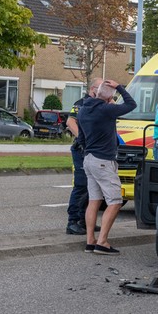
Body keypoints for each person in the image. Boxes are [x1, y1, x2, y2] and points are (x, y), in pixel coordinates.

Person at [78, 79, 137, 255]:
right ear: (110, 97)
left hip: (89, 158)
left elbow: (81, 137)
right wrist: (120, 86)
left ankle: (90, 241)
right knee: (115, 201)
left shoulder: (83, 110)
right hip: (103, 160)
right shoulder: (106, 110)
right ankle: (102, 242)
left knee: (94, 200)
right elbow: (131, 104)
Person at [65, 77, 102, 235]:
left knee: (92, 186)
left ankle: (85, 220)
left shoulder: (101, 105)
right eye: (102, 88)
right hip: (82, 150)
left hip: (95, 151)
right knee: (81, 185)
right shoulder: (82, 104)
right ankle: (72, 222)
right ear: (93, 89)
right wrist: (84, 139)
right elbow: (70, 122)